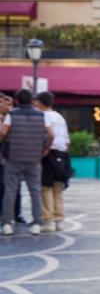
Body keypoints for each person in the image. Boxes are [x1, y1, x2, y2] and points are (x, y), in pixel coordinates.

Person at [0, 88, 51, 236]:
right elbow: (50, 134)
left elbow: (3, 132)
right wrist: (45, 148)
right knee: (35, 190)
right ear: (31, 101)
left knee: (10, 190)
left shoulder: (11, 115)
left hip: (13, 158)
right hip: (34, 158)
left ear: (16, 100)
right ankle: (37, 223)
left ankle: (8, 223)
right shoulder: (41, 115)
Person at [35, 91, 71, 232]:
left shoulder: (43, 116)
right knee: (58, 188)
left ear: (40, 103)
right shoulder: (59, 117)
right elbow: (67, 140)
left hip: (49, 154)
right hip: (62, 154)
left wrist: (45, 150)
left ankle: (48, 220)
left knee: (46, 188)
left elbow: (48, 135)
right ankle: (58, 220)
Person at [0, 93, 23, 225]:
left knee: (15, 187)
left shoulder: (14, 119)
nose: (5, 106)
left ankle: (16, 213)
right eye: (2, 103)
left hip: (12, 158)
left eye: (9, 104)